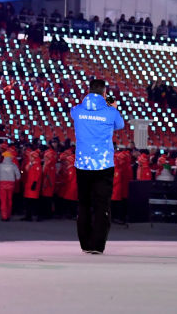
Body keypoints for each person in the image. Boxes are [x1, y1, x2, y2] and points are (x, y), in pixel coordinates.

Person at [70, 78, 124, 254]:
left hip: (82, 164)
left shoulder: (77, 111)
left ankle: (85, 244)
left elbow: (74, 111)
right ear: (104, 93)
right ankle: (97, 245)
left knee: (84, 204)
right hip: (103, 164)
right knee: (102, 205)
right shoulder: (110, 112)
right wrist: (112, 106)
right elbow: (120, 125)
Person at [0, 150, 21, 221]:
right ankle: (8, 215)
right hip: (11, 184)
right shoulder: (14, 165)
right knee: (9, 200)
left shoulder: (0, 165)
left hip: (2, 184)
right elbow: (18, 176)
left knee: (3, 200)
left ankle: (4, 216)